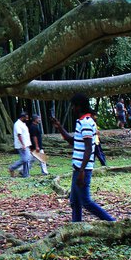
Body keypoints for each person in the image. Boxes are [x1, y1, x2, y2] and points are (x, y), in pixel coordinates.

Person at [53, 94, 115, 223]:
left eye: (73, 106)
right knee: (75, 201)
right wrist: (59, 127)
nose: (72, 109)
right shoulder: (82, 121)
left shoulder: (86, 122)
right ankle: (76, 226)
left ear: (79, 106)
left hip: (83, 169)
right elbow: (73, 141)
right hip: (78, 168)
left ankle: (112, 222)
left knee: (85, 201)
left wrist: (81, 171)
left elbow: (89, 149)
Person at [9, 110, 32, 178]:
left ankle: (25, 174)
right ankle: (12, 168)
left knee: (27, 159)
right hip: (21, 145)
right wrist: (23, 144)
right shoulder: (17, 124)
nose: (27, 119)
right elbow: (19, 135)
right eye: (26, 118)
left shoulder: (23, 124)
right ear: (22, 117)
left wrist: (28, 145)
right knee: (26, 159)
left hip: (26, 144)